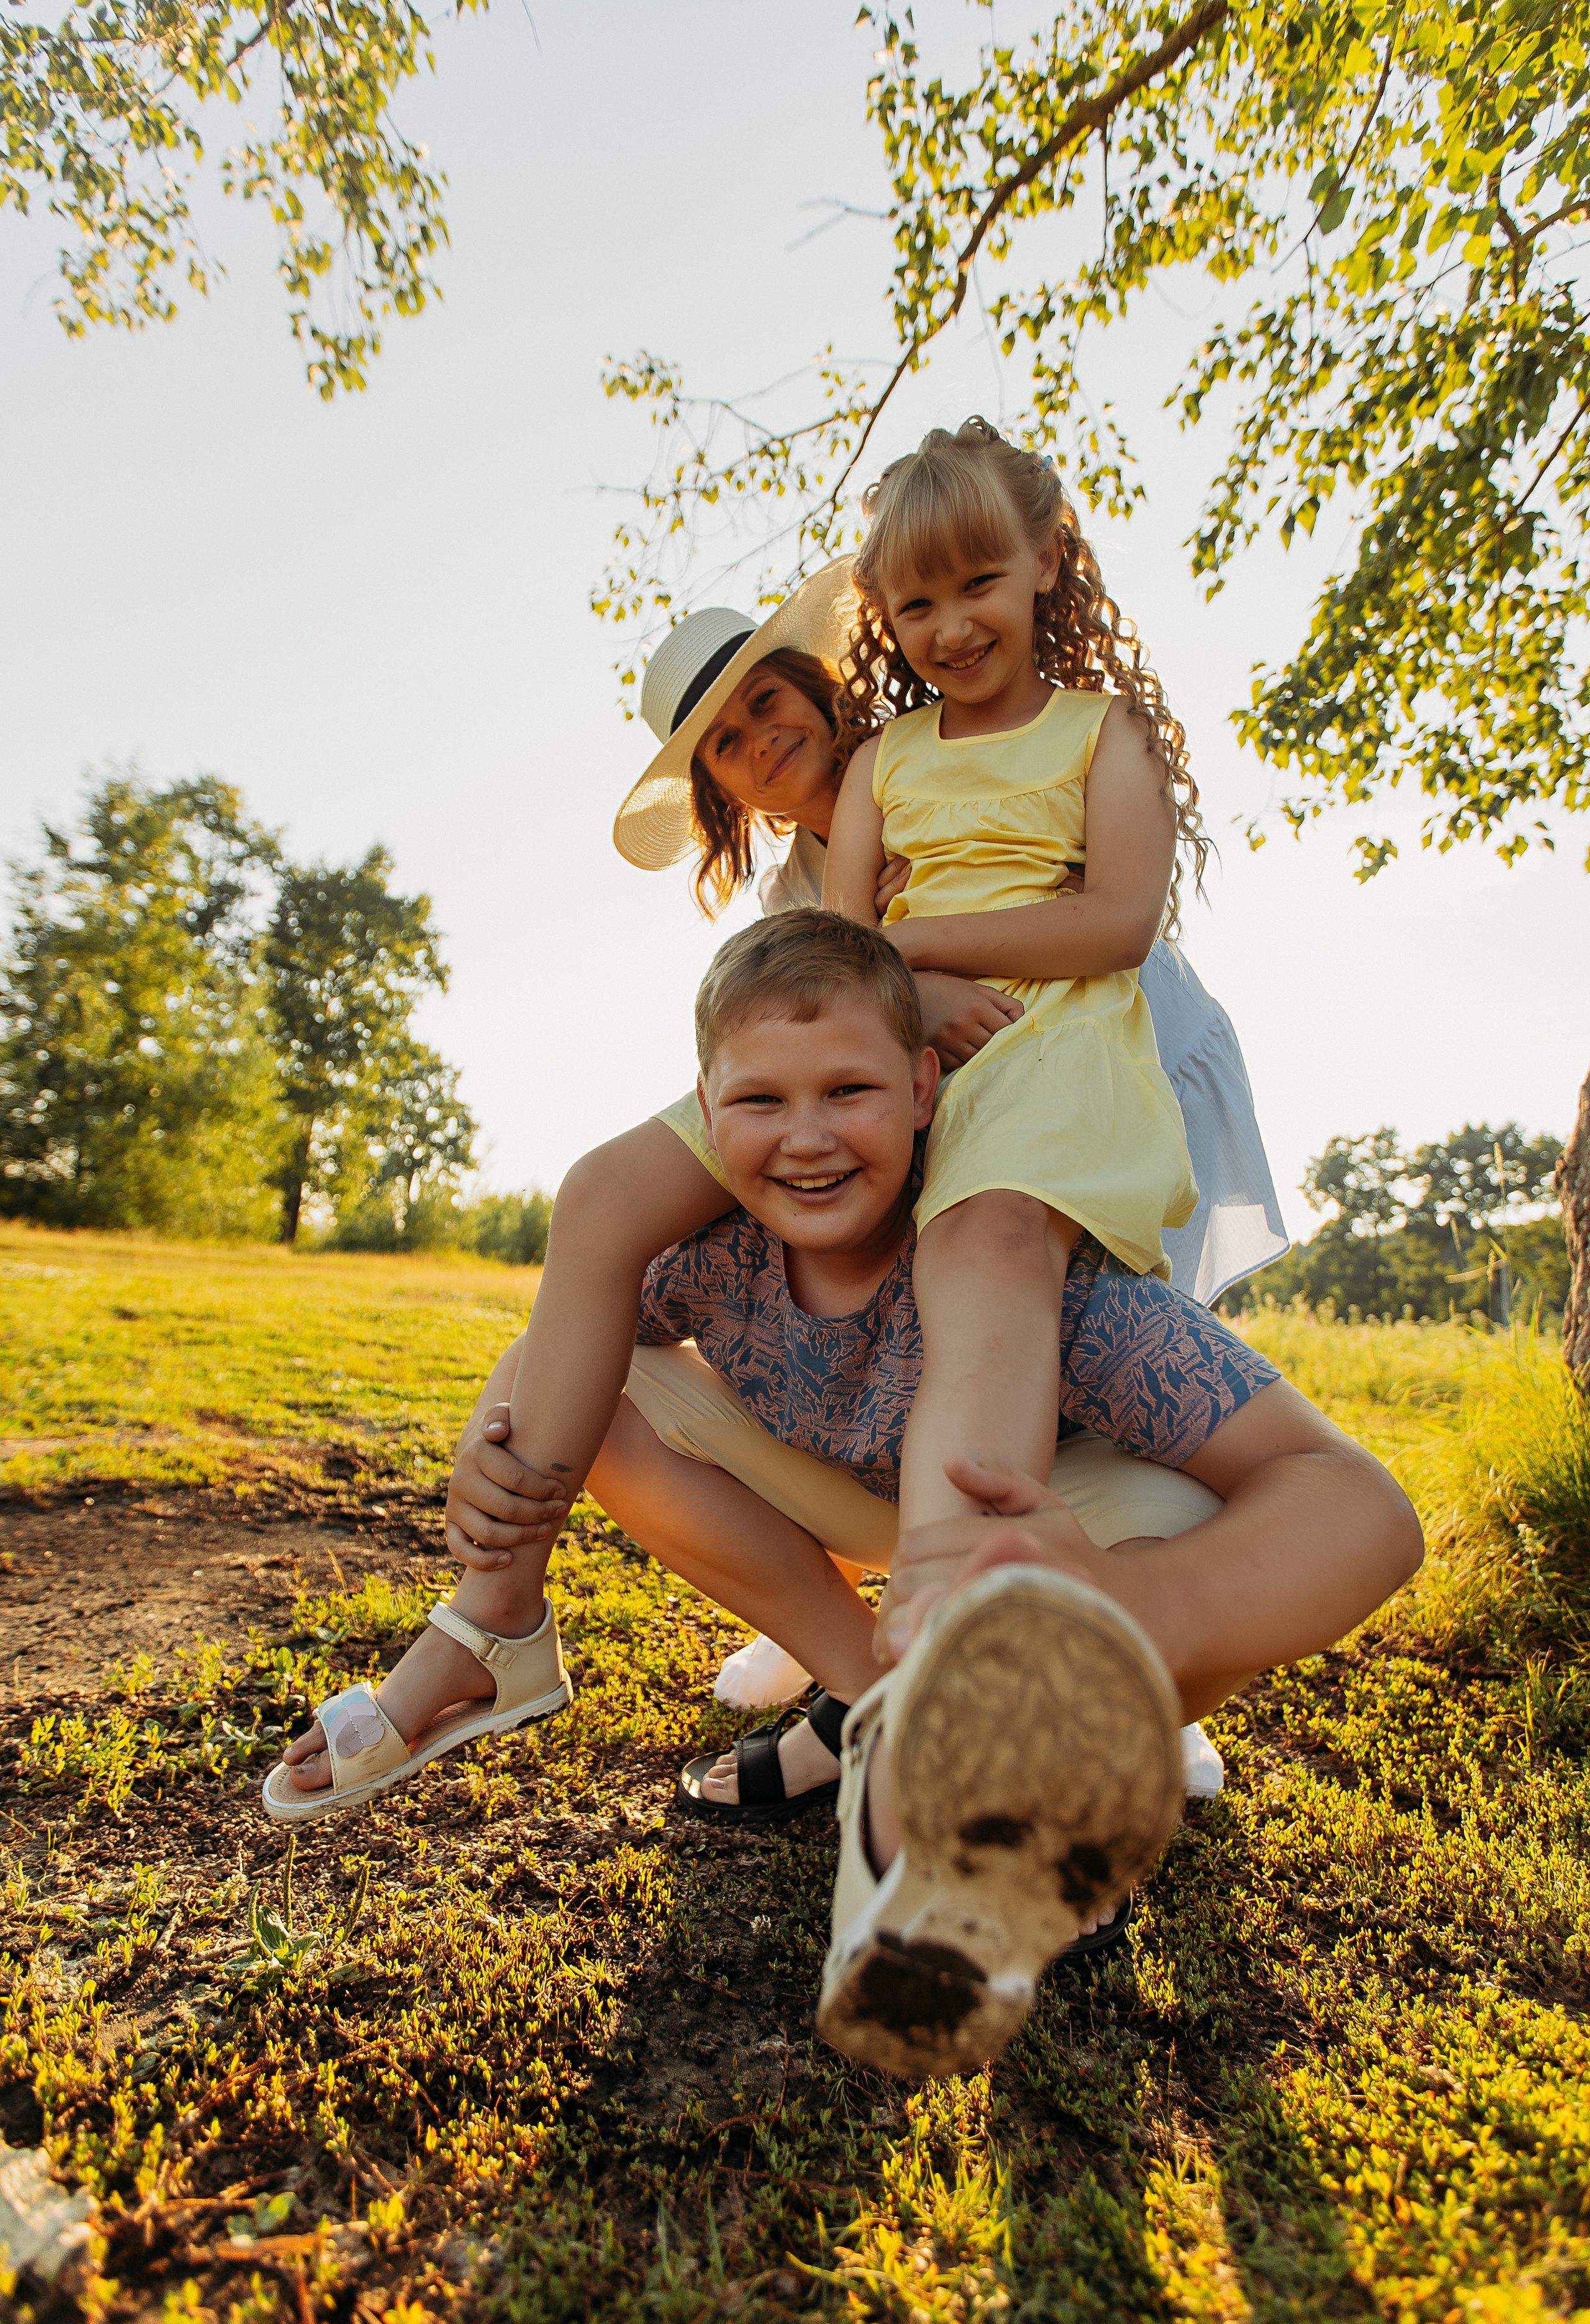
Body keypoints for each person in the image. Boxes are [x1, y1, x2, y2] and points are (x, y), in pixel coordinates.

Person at [260, 551, 1283, 1820]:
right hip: (898, 1115)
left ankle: (1078, 1656)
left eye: (764, 698)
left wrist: (914, 965)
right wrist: (503, 1410)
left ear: (817, 679)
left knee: (1085, 1303)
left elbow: (1082, 901)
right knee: (616, 1197)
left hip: (1078, 1054)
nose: (760, 737)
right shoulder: (794, 895)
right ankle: (611, 1632)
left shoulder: (935, 753)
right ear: (718, 787)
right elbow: (787, 1083)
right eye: (728, 743)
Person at [584, 911, 1420, 2072]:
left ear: (926, 1087)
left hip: (1053, 1535)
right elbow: (568, 1345)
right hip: (865, 1512)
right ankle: (874, 1697)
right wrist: (498, 1489)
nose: (809, 1138)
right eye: (764, 1101)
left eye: (851, 1092)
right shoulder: (712, 1251)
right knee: (573, 1381)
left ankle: (1053, 1775)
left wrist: (1119, 1610)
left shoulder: (1034, 1264)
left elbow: (1362, 1507)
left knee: (1222, 1531)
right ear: (706, 1108)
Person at [822, 416, 1206, 1537]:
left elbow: (1116, 923)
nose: (950, 627)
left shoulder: (1107, 734)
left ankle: (960, 1573)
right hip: (894, 1038)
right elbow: (842, 948)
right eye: (915, 606)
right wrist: (911, 994)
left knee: (982, 1247)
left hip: (1054, 1044)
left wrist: (922, 946)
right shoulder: (884, 761)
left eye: (978, 583)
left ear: (1046, 561)